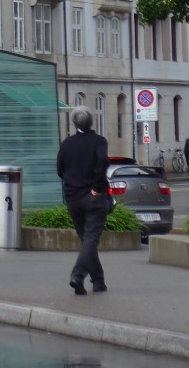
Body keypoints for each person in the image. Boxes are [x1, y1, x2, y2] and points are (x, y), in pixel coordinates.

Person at [56, 106, 109, 294]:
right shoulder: (99, 141)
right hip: (93, 197)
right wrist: (95, 187)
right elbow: (102, 163)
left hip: (72, 198)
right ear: (91, 121)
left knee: (86, 240)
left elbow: (60, 169)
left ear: (74, 123)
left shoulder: (67, 143)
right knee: (91, 239)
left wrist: (72, 184)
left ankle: (98, 281)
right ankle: (78, 275)